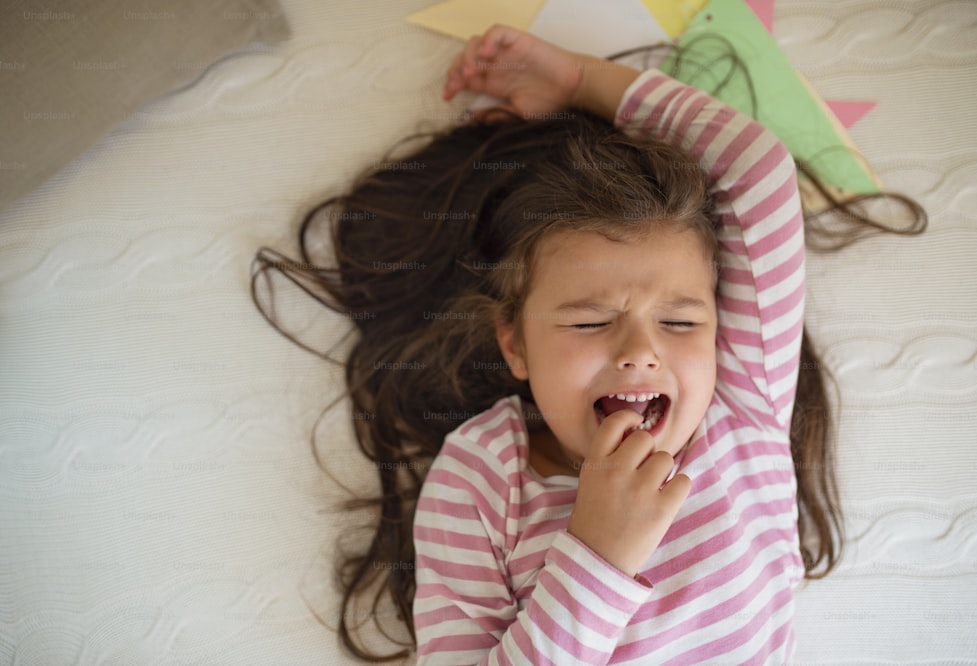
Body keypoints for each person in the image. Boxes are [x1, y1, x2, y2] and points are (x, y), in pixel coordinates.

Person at [251, 22, 924, 666]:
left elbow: (757, 172)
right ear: (514, 345)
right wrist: (597, 554)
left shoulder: (744, 407)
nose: (640, 351)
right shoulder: (482, 478)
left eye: (681, 322)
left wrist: (577, 80)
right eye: (589, 322)